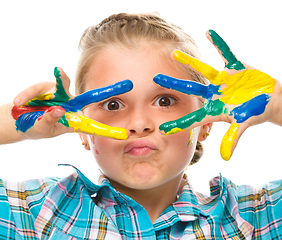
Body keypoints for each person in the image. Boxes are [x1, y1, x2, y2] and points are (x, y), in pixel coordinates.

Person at [0, 12, 281, 239]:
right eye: (112, 105)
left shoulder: (252, 217)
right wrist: (16, 122)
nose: (139, 124)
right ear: (82, 131)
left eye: (164, 101)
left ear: (206, 123)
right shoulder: (35, 213)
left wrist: (277, 106)